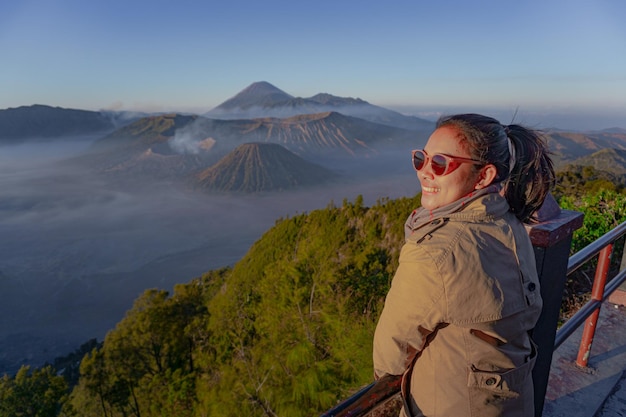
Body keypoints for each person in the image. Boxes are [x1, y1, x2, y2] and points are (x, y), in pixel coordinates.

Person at [373, 113, 555, 417]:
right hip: (512, 398)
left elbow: (391, 353)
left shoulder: (435, 253)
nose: (425, 172)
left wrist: (383, 385)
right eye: (421, 159)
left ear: (483, 176)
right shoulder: (507, 221)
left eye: (441, 163)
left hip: (450, 404)